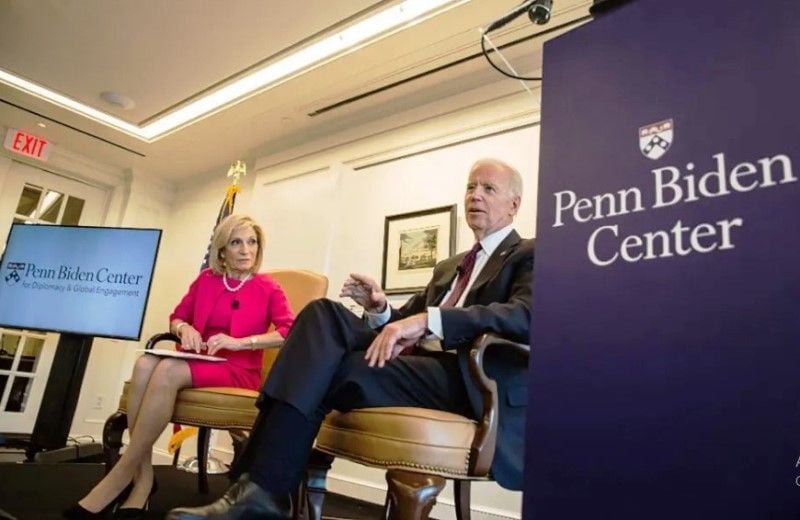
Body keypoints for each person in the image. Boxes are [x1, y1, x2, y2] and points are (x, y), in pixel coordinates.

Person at [167, 158, 534, 520]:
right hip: (416, 367)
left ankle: (256, 490)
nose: (475, 195)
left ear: (513, 204)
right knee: (321, 314)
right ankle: (261, 493)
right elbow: (404, 321)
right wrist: (380, 309)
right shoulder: (449, 267)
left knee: (317, 365)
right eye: (471, 186)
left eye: (488, 189)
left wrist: (431, 319)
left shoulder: (529, 253)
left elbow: (526, 316)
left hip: (467, 378)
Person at [63, 214, 295, 519]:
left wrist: (242, 342)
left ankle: (119, 478)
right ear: (222, 250)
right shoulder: (206, 280)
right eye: (236, 242)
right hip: (199, 358)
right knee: (146, 363)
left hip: (237, 369)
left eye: (251, 242)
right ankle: (144, 480)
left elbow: (288, 330)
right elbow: (177, 315)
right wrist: (184, 327)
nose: (245, 250)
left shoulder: (268, 286)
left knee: (167, 370)